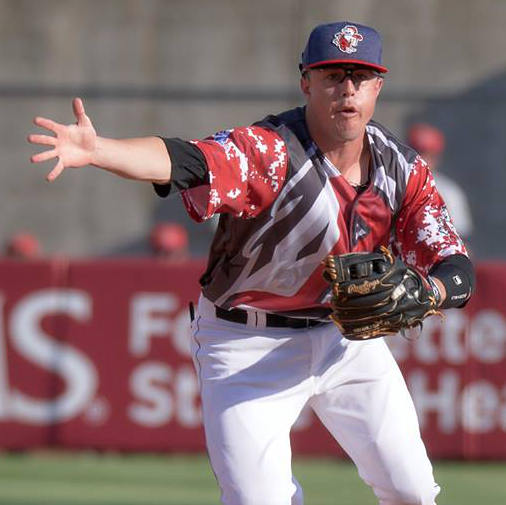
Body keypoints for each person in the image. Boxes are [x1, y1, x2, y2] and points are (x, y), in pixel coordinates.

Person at [29, 21, 475, 505]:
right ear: (306, 82)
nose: (347, 89)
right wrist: (99, 151)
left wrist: (430, 293)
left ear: (378, 87)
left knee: (412, 492)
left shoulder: (402, 169)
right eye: (332, 75)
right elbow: (187, 161)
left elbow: (456, 266)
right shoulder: (268, 150)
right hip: (245, 339)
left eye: (360, 76)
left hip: (344, 338)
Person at [407, 122, 474, 242]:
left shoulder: (450, 192)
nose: (421, 159)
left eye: (427, 154)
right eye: (416, 152)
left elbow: (461, 238)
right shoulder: (390, 184)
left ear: (437, 157)